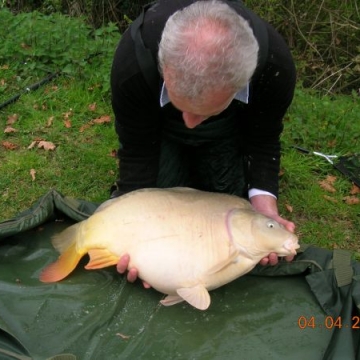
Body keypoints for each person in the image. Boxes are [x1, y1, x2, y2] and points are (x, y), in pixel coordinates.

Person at [110, 0, 297, 285]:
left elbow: (263, 140)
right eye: (180, 104)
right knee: (161, 209)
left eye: (201, 112)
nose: (189, 121)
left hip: (230, 128)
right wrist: (130, 224)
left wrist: (265, 209)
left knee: (232, 208)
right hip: (158, 127)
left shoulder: (275, 69)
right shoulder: (133, 63)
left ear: (240, 84)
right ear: (165, 67)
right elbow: (137, 150)